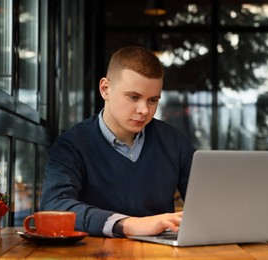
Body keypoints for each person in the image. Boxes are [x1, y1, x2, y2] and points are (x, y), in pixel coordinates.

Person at [40, 46, 195, 237]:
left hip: (160, 254)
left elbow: (208, 207)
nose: (144, 110)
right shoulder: (71, 146)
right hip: (94, 254)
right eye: (133, 97)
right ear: (105, 89)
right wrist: (127, 224)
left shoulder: (176, 143)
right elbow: (54, 205)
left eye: (152, 100)